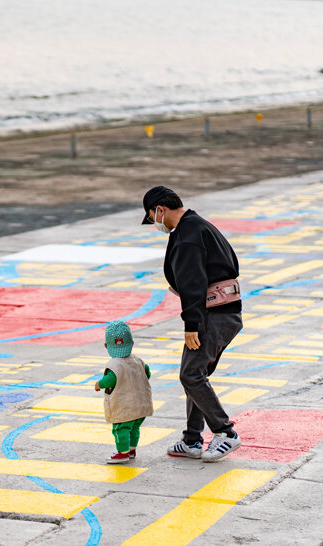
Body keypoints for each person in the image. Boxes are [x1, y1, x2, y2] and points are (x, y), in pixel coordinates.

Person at [141, 186, 243, 462]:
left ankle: (225, 433)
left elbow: (193, 283)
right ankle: (191, 440)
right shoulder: (199, 225)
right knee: (197, 375)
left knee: (191, 375)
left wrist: (192, 325)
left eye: (152, 217)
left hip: (212, 316)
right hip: (227, 313)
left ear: (160, 210)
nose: (154, 224)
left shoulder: (187, 236)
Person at [94, 320, 153, 464]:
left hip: (125, 406)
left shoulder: (114, 365)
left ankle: (122, 453)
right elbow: (148, 374)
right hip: (141, 405)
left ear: (106, 346)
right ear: (132, 343)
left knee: (121, 429)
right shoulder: (139, 361)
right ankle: (131, 450)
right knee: (134, 428)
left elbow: (109, 380)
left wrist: (98, 384)